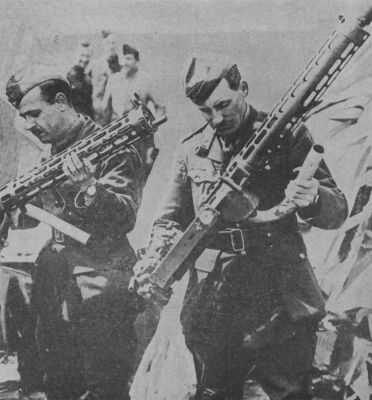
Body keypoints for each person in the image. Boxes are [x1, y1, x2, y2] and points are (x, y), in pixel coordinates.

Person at [135, 54, 349, 400]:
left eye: (223, 104)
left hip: (279, 291)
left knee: (290, 393)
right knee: (215, 393)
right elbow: (170, 217)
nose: (216, 118)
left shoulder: (286, 135)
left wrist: (311, 199)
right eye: (206, 111)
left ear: (243, 89)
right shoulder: (192, 150)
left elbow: (337, 209)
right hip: (214, 297)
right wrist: (157, 251)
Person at [5, 64, 150, 400]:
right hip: (55, 291)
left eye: (34, 114)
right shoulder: (50, 151)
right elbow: (45, 213)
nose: (28, 125)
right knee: (59, 387)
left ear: (60, 101)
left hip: (100, 290)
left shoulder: (110, 145)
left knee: (105, 390)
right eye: (23, 117)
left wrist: (89, 189)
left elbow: (125, 216)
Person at [101, 43, 166, 125]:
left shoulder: (146, 80)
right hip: (117, 130)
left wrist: (152, 125)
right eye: (122, 58)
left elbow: (160, 107)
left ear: (137, 61)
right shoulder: (113, 79)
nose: (124, 63)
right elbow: (106, 110)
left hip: (140, 131)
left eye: (128, 59)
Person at [88, 31, 122, 125]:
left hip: (115, 115)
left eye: (114, 43)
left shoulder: (121, 68)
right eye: (108, 43)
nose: (111, 46)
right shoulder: (94, 65)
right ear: (103, 44)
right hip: (98, 112)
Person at [67, 41, 94, 118]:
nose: (84, 59)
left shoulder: (87, 79)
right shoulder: (67, 79)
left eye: (88, 56)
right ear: (75, 55)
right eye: (82, 55)